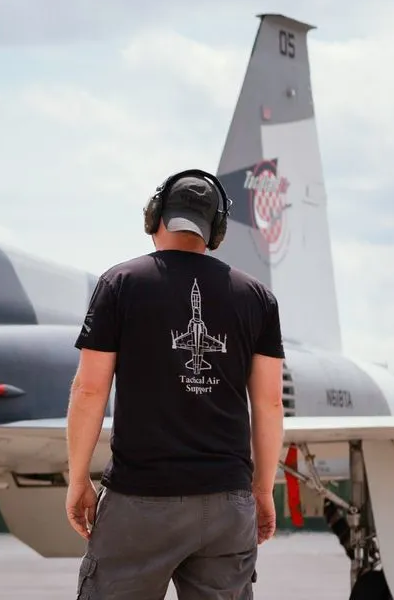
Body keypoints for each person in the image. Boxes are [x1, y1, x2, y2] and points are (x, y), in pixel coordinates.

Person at [65, 168, 285, 599]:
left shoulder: (120, 284)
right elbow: (270, 403)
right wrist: (261, 489)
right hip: (226, 505)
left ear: (155, 216)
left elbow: (89, 391)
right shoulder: (257, 297)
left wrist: (77, 480)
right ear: (215, 231)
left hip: (139, 501)